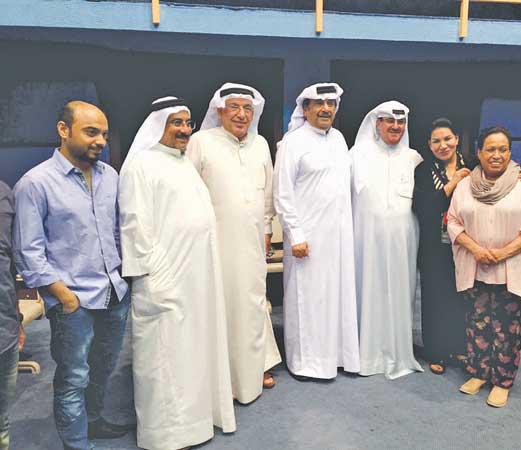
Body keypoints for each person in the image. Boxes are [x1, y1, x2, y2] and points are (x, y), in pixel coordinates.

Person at [118, 96, 236, 450]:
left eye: (188, 123)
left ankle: (197, 422)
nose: (185, 130)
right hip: (163, 281)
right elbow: (135, 224)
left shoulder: (182, 163)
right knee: (164, 356)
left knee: (192, 352)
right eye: (176, 123)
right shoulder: (141, 164)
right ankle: (167, 435)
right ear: (159, 125)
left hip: (195, 280)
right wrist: (151, 278)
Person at [12, 101, 131, 450]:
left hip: (113, 293)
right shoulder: (35, 184)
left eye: (104, 134)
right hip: (72, 301)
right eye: (91, 132)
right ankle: (76, 443)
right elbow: (28, 252)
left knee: (103, 367)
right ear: (63, 130)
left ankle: (93, 421)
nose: (100, 141)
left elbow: (117, 231)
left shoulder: (111, 177)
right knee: (74, 376)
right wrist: (64, 296)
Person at [413, 118, 521, 376]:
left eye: (447, 138)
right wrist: (452, 184)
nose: (443, 145)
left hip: (468, 246)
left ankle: (461, 348)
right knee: (435, 297)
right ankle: (437, 351)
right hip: (435, 245)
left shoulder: (473, 164)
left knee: (464, 299)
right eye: (436, 141)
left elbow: (503, 171)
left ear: (457, 139)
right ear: (429, 144)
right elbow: (422, 207)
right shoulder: (424, 170)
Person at [187, 83, 281, 402]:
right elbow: (188, 192)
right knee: (222, 303)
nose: (241, 114)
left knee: (253, 302)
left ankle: (257, 365)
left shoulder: (261, 144)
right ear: (220, 111)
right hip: (215, 241)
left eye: (247, 109)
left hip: (252, 241)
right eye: (235, 107)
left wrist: (266, 231)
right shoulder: (201, 142)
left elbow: (267, 194)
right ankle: (223, 373)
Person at [447, 125, 521, 408]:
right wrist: (476, 249)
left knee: (508, 327)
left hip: (512, 266)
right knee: (477, 322)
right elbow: (453, 221)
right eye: (490, 149)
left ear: (510, 153)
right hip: (476, 264)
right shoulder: (465, 186)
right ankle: (479, 372)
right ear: (479, 152)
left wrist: (504, 252)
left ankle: (503, 381)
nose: (496, 155)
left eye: (503, 149)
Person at [273, 82, 359, 380]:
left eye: (331, 104)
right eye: (319, 104)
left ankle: (336, 357)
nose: (325, 109)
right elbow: (282, 193)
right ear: (306, 109)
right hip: (306, 239)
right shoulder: (292, 143)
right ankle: (305, 362)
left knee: (335, 297)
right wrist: (295, 235)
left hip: (338, 238)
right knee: (307, 300)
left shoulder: (338, 139)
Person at [350, 101, 423, 379]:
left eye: (400, 122)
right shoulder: (357, 155)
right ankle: (367, 355)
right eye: (389, 121)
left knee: (401, 292)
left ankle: (398, 352)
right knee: (368, 290)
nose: (395, 126)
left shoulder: (413, 158)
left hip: (403, 241)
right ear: (376, 123)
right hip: (366, 240)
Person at [0, 180, 24, 450]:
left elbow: (8, 266)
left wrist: (17, 320)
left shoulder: (3, 193)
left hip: (4, 330)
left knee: (1, 423)